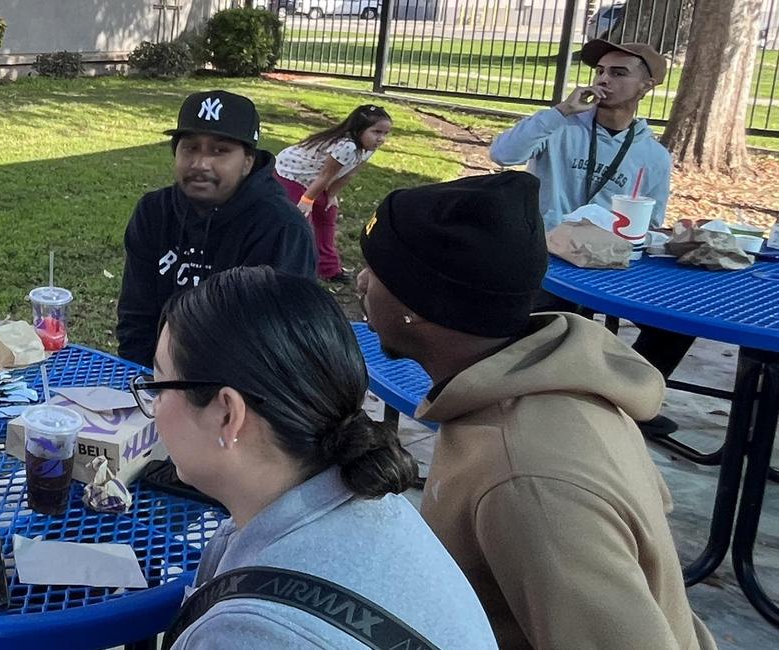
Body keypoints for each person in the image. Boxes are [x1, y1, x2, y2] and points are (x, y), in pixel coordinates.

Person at [355, 172, 714, 649]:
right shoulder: (541, 387)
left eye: (376, 269)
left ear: (419, 306)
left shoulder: (527, 480)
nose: (360, 281)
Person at [144, 267, 495, 649]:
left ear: (228, 415)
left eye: (159, 386)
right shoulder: (373, 503)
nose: (154, 405)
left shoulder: (249, 636)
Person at [488, 39, 688, 437]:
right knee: (556, 322)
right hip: (546, 256)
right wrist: (561, 111)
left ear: (646, 86)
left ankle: (623, 402)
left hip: (609, 261)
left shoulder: (652, 156)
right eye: (600, 71)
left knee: (675, 322)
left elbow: (651, 221)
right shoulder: (561, 126)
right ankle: (535, 412)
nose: (604, 80)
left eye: (618, 72)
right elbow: (503, 154)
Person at [115, 90, 317, 366]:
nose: (200, 164)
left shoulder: (281, 227)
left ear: (247, 161)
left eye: (219, 151)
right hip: (157, 376)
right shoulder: (154, 212)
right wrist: (140, 378)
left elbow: (279, 342)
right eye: (190, 148)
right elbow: (136, 317)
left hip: (244, 382)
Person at [273, 104, 393, 282]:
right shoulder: (347, 146)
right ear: (359, 129)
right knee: (300, 221)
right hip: (291, 174)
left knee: (327, 212)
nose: (381, 138)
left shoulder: (368, 148)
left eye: (385, 133)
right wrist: (307, 201)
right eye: (376, 132)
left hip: (314, 180)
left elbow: (347, 174)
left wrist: (331, 195)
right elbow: (325, 175)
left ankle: (328, 268)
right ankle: (292, 269)